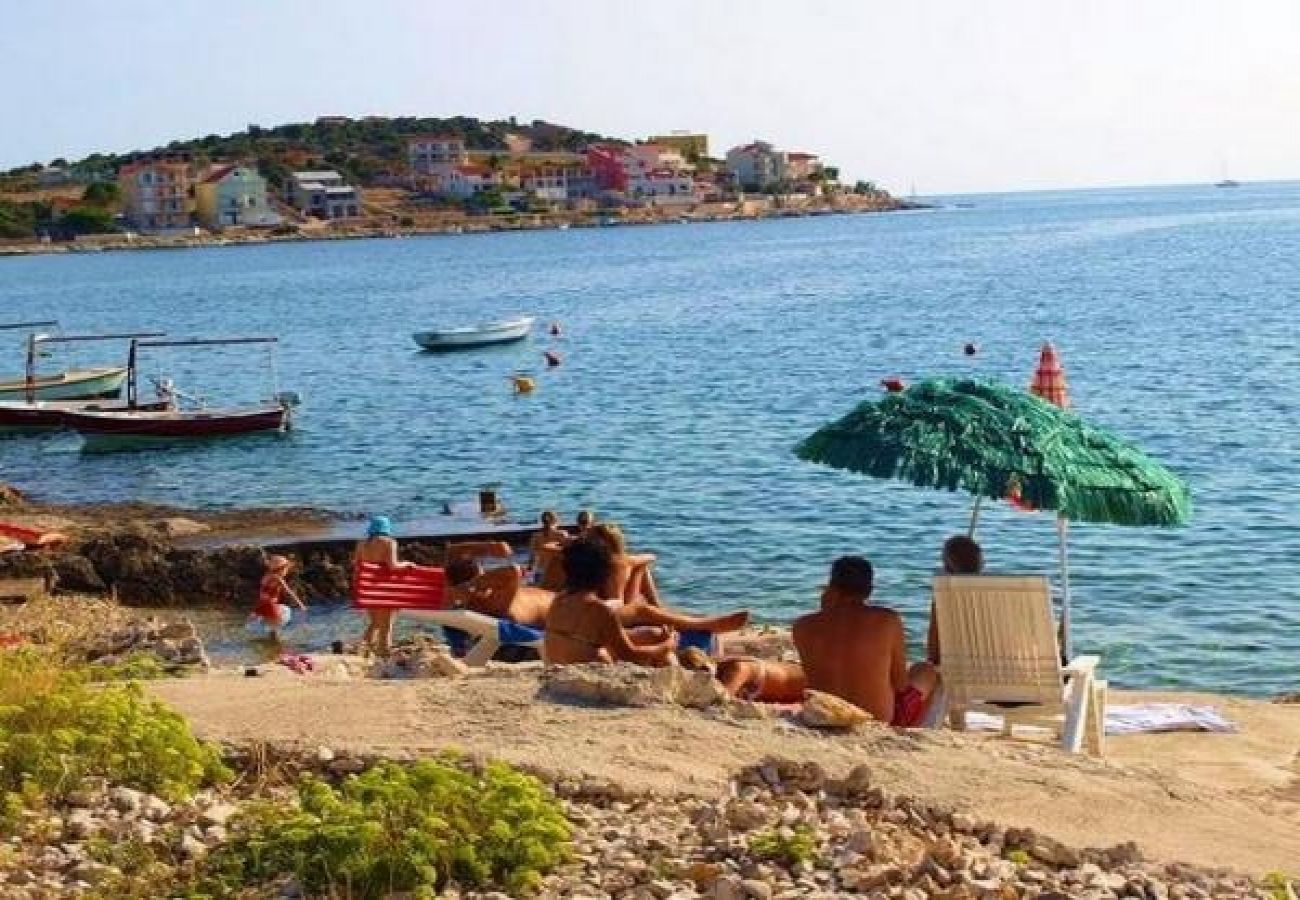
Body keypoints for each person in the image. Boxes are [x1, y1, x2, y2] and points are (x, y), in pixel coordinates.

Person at [793, 556, 939, 728]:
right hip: (878, 721)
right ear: (869, 590)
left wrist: (825, 609)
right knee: (926, 670)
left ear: (831, 587)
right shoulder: (888, 620)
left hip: (823, 715)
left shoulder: (802, 626)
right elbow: (900, 685)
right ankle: (912, 728)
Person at [543, 538, 677, 666]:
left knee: (652, 634)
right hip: (589, 684)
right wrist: (668, 645)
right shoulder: (600, 611)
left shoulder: (559, 600)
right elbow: (630, 654)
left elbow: (587, 633)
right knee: (665, 651)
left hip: (559, 671)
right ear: (603, 573)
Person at [354, 515, 412, 654]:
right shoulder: (389, 542)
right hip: (384, 588)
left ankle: (363, 651)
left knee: (375, 623)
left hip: (367, 587)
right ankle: (384, 656)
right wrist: (407, 564)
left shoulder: (362, 543)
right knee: (386, 626)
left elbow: (357, 566)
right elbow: (393, 566)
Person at [926, 535, 984, 665]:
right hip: (1008, 671)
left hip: (956, 671)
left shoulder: (944, 598)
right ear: (981, 563)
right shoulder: (1005, 595)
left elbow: (933, 654)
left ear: (947, 566)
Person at [251, 555, 306, 641]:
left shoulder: (266, 576)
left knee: (272, 627)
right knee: (283, 615)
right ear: (281, 569)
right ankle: (275, 644)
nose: (286, 572)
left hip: (264, 605)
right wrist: (300, 604)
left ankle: (272, 644)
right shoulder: (278, 579)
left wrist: (257, 610)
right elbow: (289, 591)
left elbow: (262, 594)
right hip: (271, 605)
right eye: (286, 569)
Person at [716, 657, 807, 703]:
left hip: (797, 678)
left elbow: (721, 700)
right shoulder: (737, 669)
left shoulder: (737, 669)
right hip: (792, 678)